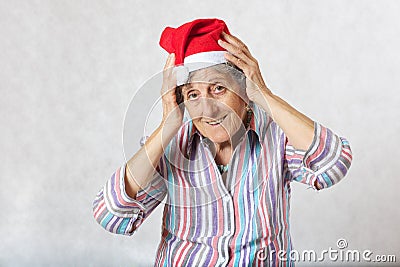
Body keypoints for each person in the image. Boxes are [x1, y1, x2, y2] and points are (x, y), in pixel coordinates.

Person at [93, 18, 353, 266]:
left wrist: (266, 96)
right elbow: (111, 216)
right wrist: (166, 126)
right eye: (193, 94)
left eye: (218, 88)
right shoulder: (173, 145)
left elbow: (333, 164)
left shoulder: (277, 136)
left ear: (244, 90)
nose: (208, 108)